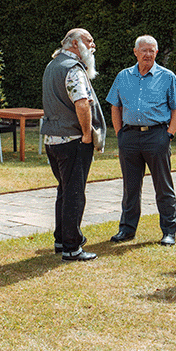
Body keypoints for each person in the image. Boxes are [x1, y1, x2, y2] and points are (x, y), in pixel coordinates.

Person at [105, 35, 176, 246]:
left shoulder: (167, 77)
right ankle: (126, 230)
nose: (148, 54)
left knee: (163, 186)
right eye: (144, 50)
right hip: (129, 136)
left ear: (156, 53)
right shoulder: (123, 76)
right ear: (135, 52)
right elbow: (115, 106)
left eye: (152, 50)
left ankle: (169, 231)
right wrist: (119, 133)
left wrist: (169, 134)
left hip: (157, 136)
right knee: (130, 187)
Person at [40, 28, 106, 261]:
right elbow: (82, 104)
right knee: (75, 193)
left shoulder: (52, 65)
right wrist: (87, 135)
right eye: (90, 41)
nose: (93, 45)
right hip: (72, 140)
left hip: (52, 139)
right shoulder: (73, 69)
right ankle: (72, 246)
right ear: (75, 44)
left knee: (64, 190)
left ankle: (60, 239)